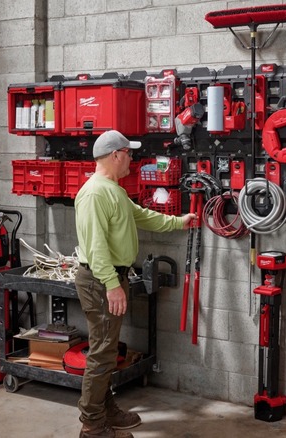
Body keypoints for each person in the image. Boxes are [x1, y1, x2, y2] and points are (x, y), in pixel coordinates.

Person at [74, 130, 195, 438]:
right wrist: (112, 284)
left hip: (112, 279)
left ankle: (106, 409)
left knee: (107, 349)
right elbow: (96, 246)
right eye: (128, 153)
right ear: (115, 155)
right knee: (102, 352)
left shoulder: (113, 190)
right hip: (102, 282)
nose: (132, 158)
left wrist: (179, 221)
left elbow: (142, 216)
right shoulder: (94, 193)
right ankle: (91, 426)